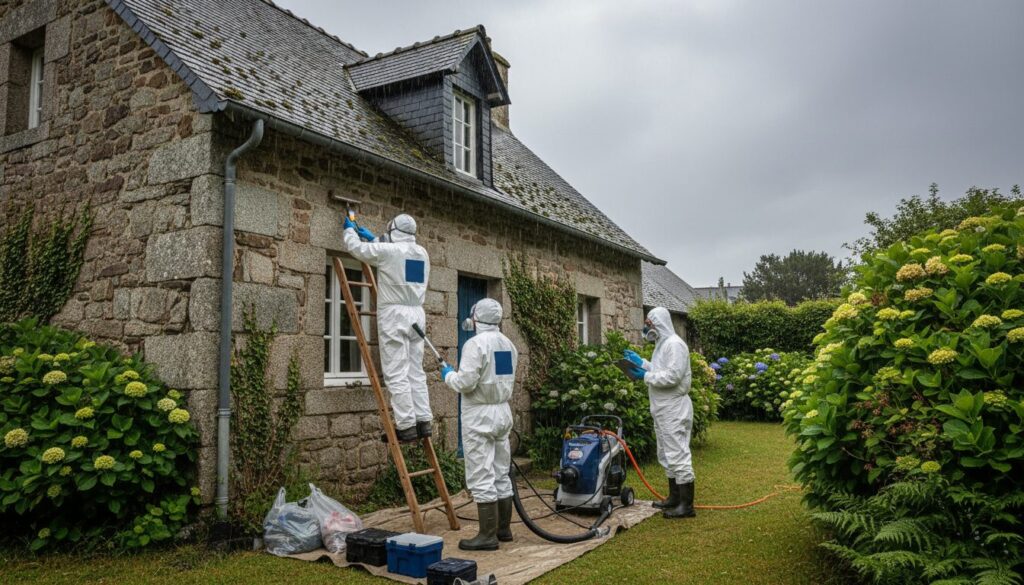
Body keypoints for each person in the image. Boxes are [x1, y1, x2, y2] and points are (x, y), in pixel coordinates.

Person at [343, 213, 432, 443]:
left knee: (396, 372)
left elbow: (357, 250)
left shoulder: (389, 252)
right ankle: (423, 421)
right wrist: (376, 240)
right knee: (415, 371)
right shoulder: (421, 253)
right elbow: (396, 262)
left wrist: (349, 230)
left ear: (393, 231)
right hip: (416, 314)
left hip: (394, 314)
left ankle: (406, 427)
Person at [440, 298, 517, 551]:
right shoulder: (508, 344)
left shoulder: (475, 345)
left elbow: (466, 384)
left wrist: (449, 375)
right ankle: (503, 529)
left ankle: (486, 536)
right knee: (500, 471)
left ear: (476, 318)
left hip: (480, 415)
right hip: (502, 412)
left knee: (481, 474)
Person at [622, 306, 696, 519]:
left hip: (674, 407)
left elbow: (672, 376)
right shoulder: (662, 345)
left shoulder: (674, 345)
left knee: (678, 453)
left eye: (649, 324)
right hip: (663, 409)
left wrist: (643, 376)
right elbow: (659, 369)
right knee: (666, 453)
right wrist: (642, 363)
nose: (647, 328)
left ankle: (686, 506)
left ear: (660, 323)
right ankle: (674, 498)